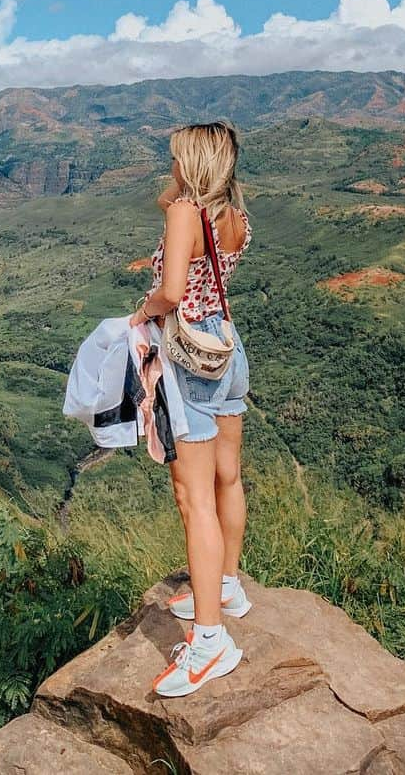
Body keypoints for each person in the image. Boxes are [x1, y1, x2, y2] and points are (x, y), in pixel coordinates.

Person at [128, 120, 253, 698]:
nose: (169, 165)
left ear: (193, 163)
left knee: (191, 496)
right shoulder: (232, 212)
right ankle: (226, 583)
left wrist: (140, 311)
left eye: (175, 156)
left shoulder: (185, 213)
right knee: (229, 477)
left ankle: (210, 641)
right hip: (227, 347)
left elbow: (174, 293)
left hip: (190, 359)